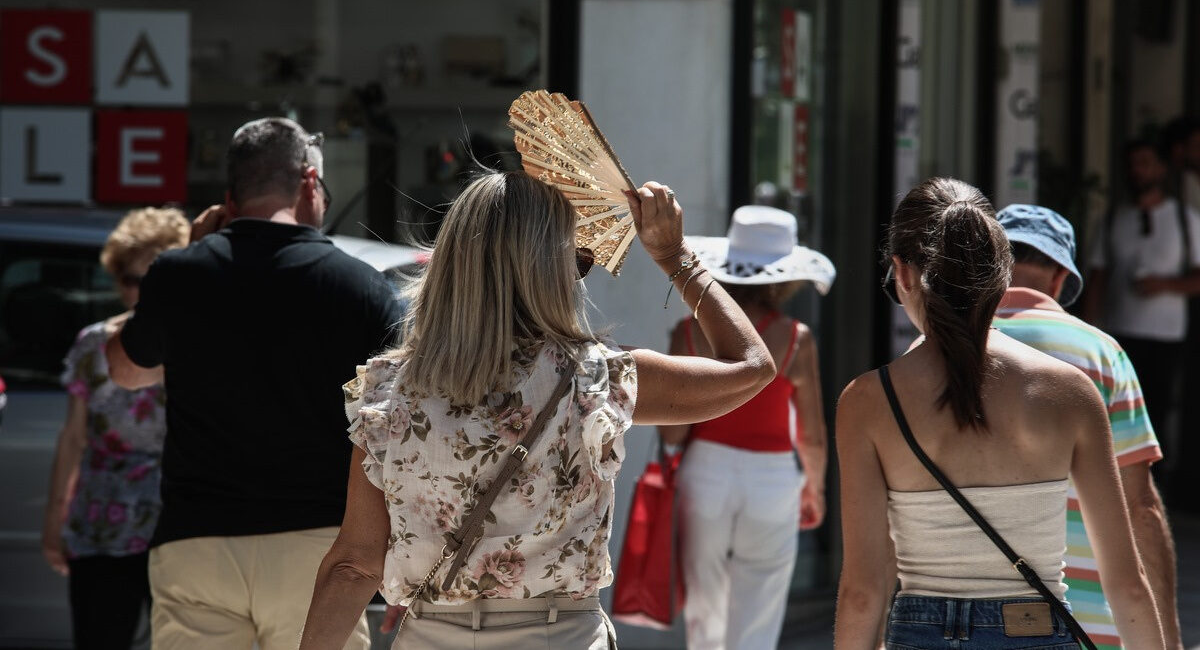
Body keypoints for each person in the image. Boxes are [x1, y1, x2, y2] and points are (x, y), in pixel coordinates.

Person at [298, 170, 776, 649]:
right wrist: (675, 258)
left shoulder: (391, 393)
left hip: (431, 632)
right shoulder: (597, 380)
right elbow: (752, 367)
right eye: (578, 260)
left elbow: (354, 565)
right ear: (548, 270)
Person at [105, 118, 403, 650]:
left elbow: (127, 369)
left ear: (229, 198)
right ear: (310, 183)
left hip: (197, 542)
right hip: (315, 549)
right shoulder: (359, 287)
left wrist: (191, 257)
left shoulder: (180, 274)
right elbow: (398, 424)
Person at [835, 178, 1163, 649]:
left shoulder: (867, 401)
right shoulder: (1071, 392)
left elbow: (863, 594)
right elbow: (1127, 585)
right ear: (1002, 274)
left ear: (902, 274)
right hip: (1036, 629)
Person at [993, 203, 1182, 649]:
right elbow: (1140, 505)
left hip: (960, 623)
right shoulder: (1101, 354)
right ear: (1060, 278)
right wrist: (1167, 636)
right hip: (1086, 622)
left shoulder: (939, 351)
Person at [658, 204, 833, 650]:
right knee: (761, 605)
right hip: (774, 478)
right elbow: (811, 432)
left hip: (706, 473)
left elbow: (672, 433)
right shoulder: (796, 337)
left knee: (704, 602)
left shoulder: (688, 331)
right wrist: (815, 488)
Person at [41, 207, 189, 649]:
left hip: (175, 527)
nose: (141, 291)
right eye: (130, 279)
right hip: (100, 522)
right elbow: (72, 437)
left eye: (154, 278)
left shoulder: (197, 344)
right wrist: (54, 522)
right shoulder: (93, 343)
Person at [1081, 140, 1200, 471]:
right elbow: (1098, 277)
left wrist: (1164, 285)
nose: (1138, 171)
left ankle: (1157, 479)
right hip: (1119, 332)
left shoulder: (1185, 220)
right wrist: (1089, 330)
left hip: (1166, 334)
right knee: (1120, 411)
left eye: (1146, 163)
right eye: (1133, 164)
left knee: (1159, 408)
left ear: (1161, 169)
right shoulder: (1113, 220)